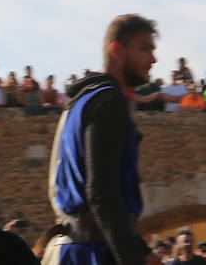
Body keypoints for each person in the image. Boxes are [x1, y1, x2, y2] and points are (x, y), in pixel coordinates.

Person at [44, 14, 158, 265]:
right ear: (117, 50)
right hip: (92, 253)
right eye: (145, 49)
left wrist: (141, 250)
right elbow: (101, 193)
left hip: (72, 250)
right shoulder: (109, 102)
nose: (153, 59)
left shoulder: (82, 101)